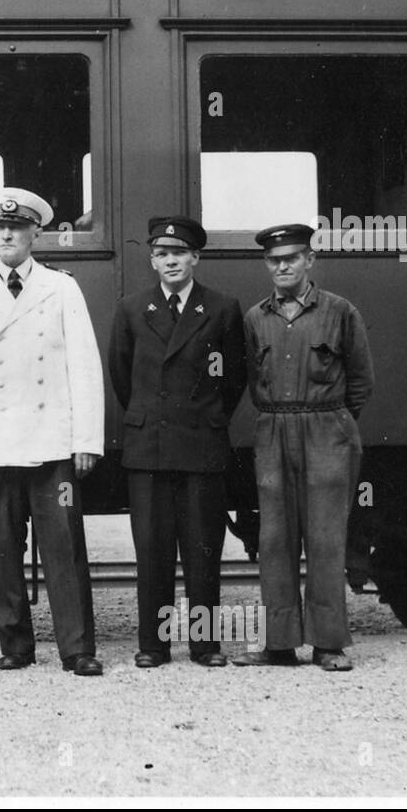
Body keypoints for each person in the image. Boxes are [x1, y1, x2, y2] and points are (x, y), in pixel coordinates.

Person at [0, 188, 105, 676]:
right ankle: (15, 644)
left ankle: (77, 649)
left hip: (52, 445)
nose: (8, 235)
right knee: (1, 548)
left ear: (36, 233)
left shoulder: (63, 289)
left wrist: (86, 441)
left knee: (64, 548)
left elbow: (85, 367)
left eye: (17, 228)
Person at [232, 224, 374, 671]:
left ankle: (328, 644)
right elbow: (255, 383)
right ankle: (279, 644)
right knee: (275, 540)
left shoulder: (339, 311)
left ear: (310, 261)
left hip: (326, 428)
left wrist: (331, 422)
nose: (282, 266)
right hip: (274, 428)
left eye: (292, 258)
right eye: (275, 260)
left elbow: (361, 381)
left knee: (326, 538)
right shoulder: (256, 318)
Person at [108, 216, 246, 668]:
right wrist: (153, 417)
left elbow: (234, 378)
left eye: (180, 253)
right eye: (162, 254)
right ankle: (154, 645)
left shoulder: (222, 308)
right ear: (152, 260)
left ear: (195, 258)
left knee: (203, 549)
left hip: (201, 444)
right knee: (152, 550)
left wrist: (204, 416)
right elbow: (122, 377)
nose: (171, 261)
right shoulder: (132, 309)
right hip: (149, 446)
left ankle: (204, 645)